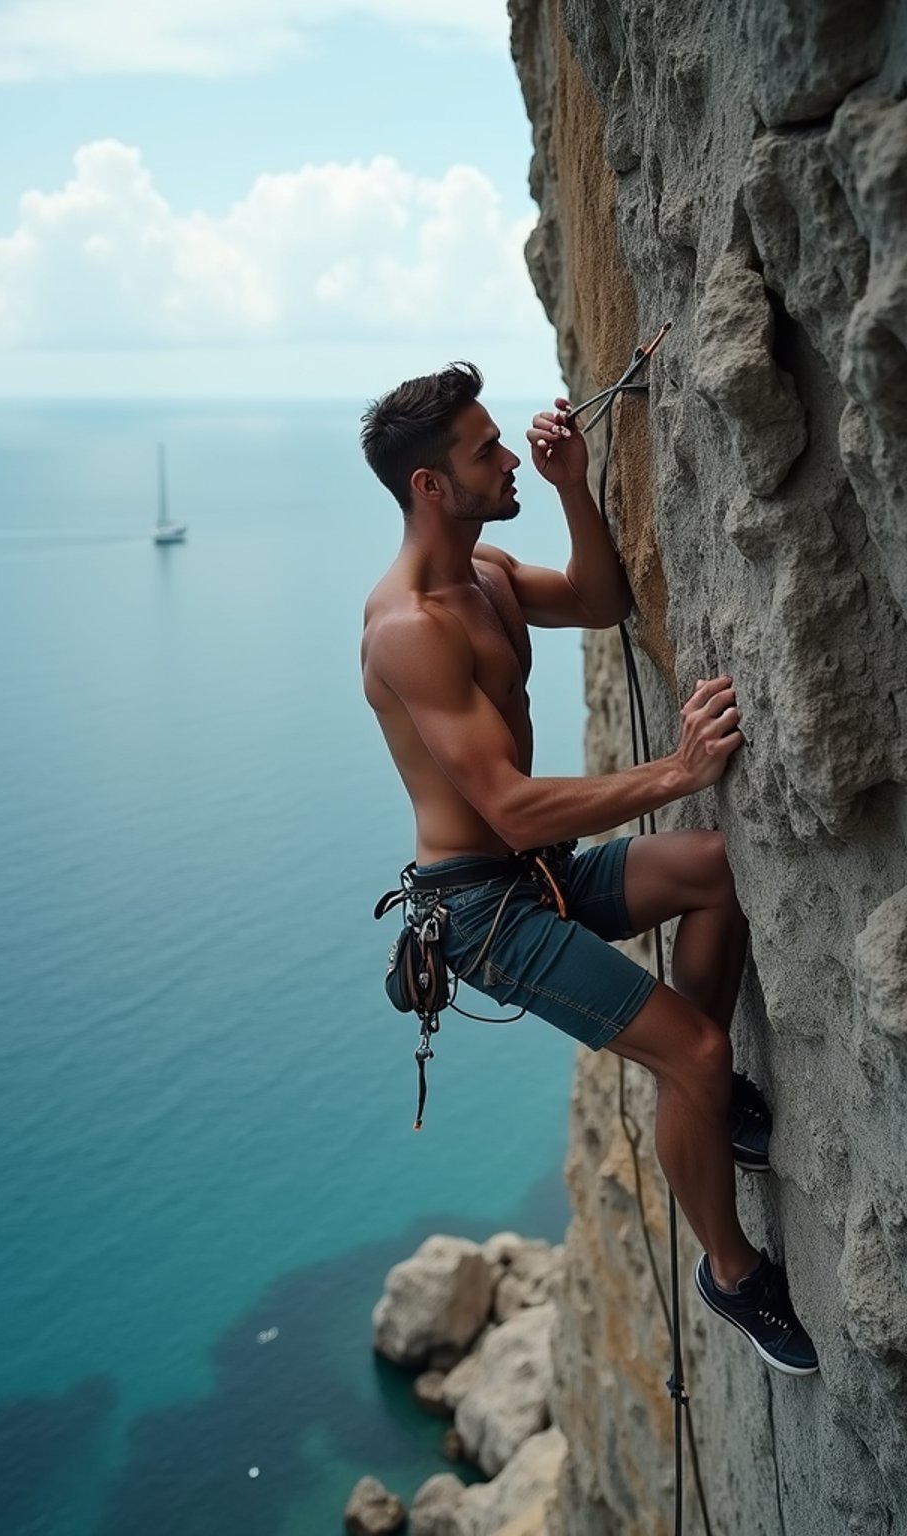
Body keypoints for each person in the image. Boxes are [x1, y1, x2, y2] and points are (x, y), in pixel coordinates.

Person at [359, 361, 818, 1376]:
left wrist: (572, 487)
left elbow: (603, 600)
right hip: (480, 910)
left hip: (537, 873)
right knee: (692, 1054)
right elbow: (509, 806)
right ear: (430, 485)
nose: (507, 453)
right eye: (485, 451)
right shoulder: (409, 630)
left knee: (711, 870)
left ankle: (695, 1082)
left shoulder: (485, 578)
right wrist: (676, 770)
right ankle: (732, 1273)